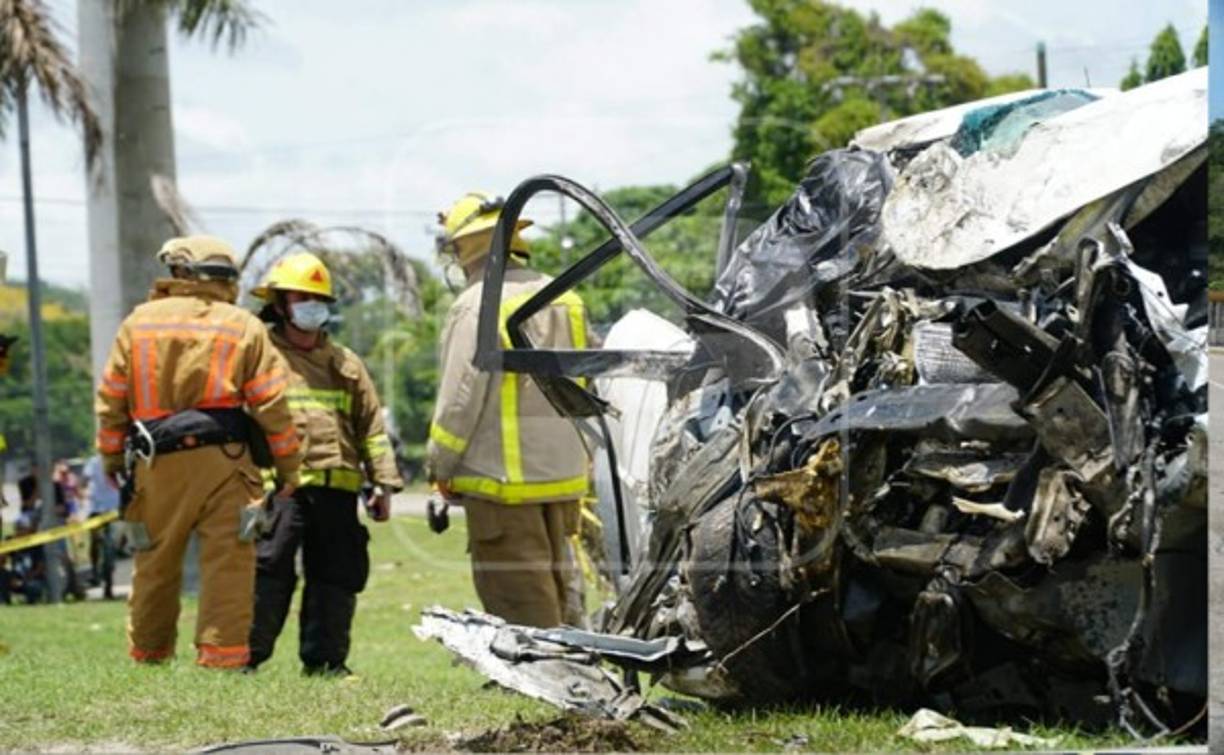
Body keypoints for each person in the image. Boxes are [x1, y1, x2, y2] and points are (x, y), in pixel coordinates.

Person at [94, 235, 303, 668]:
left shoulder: (139, 323)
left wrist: (112, 459)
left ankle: (149, 656)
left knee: (154, 563)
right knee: (229, 563)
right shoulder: (242, 325)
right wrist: (288, 470)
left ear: (182, 273)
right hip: (227, 464)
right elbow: (272, 406)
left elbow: (113, 398)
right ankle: (222, 661)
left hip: (155, 466)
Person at [426, 192, 590, 628]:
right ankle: (577, 663)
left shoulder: (477, 303)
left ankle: (541, 676)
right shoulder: (566, 297)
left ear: (467, 247)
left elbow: (462, 396)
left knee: (519, 591)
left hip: (502, 480)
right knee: (562, 580)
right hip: (564, 475)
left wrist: (440, 464)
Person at [244, 252, 403, 676]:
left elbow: (371, 427)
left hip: (338, 487)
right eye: (301, 298)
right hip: (281, 489)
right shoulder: (259, 355)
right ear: (279, 304)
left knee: (336, 575)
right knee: (269, 571)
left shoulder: (345, 363)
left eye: (318, 300)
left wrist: (382, 484)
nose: (311, 307)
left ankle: (327, 662)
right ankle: (245, 658)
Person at [83, 454, 120, 599]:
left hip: (112, 507)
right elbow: (85, 480)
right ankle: (94, 568)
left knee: (109, 546)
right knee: (95, 541)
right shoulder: (94, 461)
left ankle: (106, 579)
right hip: (97, 507)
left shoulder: (114, 460)